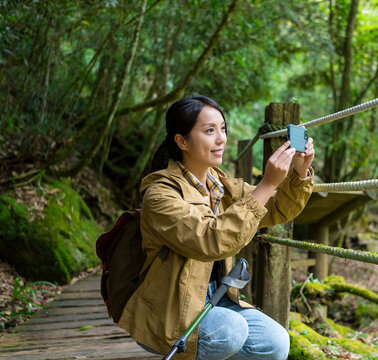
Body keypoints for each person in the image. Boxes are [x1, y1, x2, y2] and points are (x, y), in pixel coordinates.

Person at [117, 95, 315, 360]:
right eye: (209, 130)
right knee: (229, 331)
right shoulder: (161, 195)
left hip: (216, 298)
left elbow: (276, 207)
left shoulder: (220, 186)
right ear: (182, 141)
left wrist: (299, 173)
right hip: (170, 309)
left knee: (275, 343)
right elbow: (210, 240)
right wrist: (267, 183)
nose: (221, 138)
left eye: (222, 128)